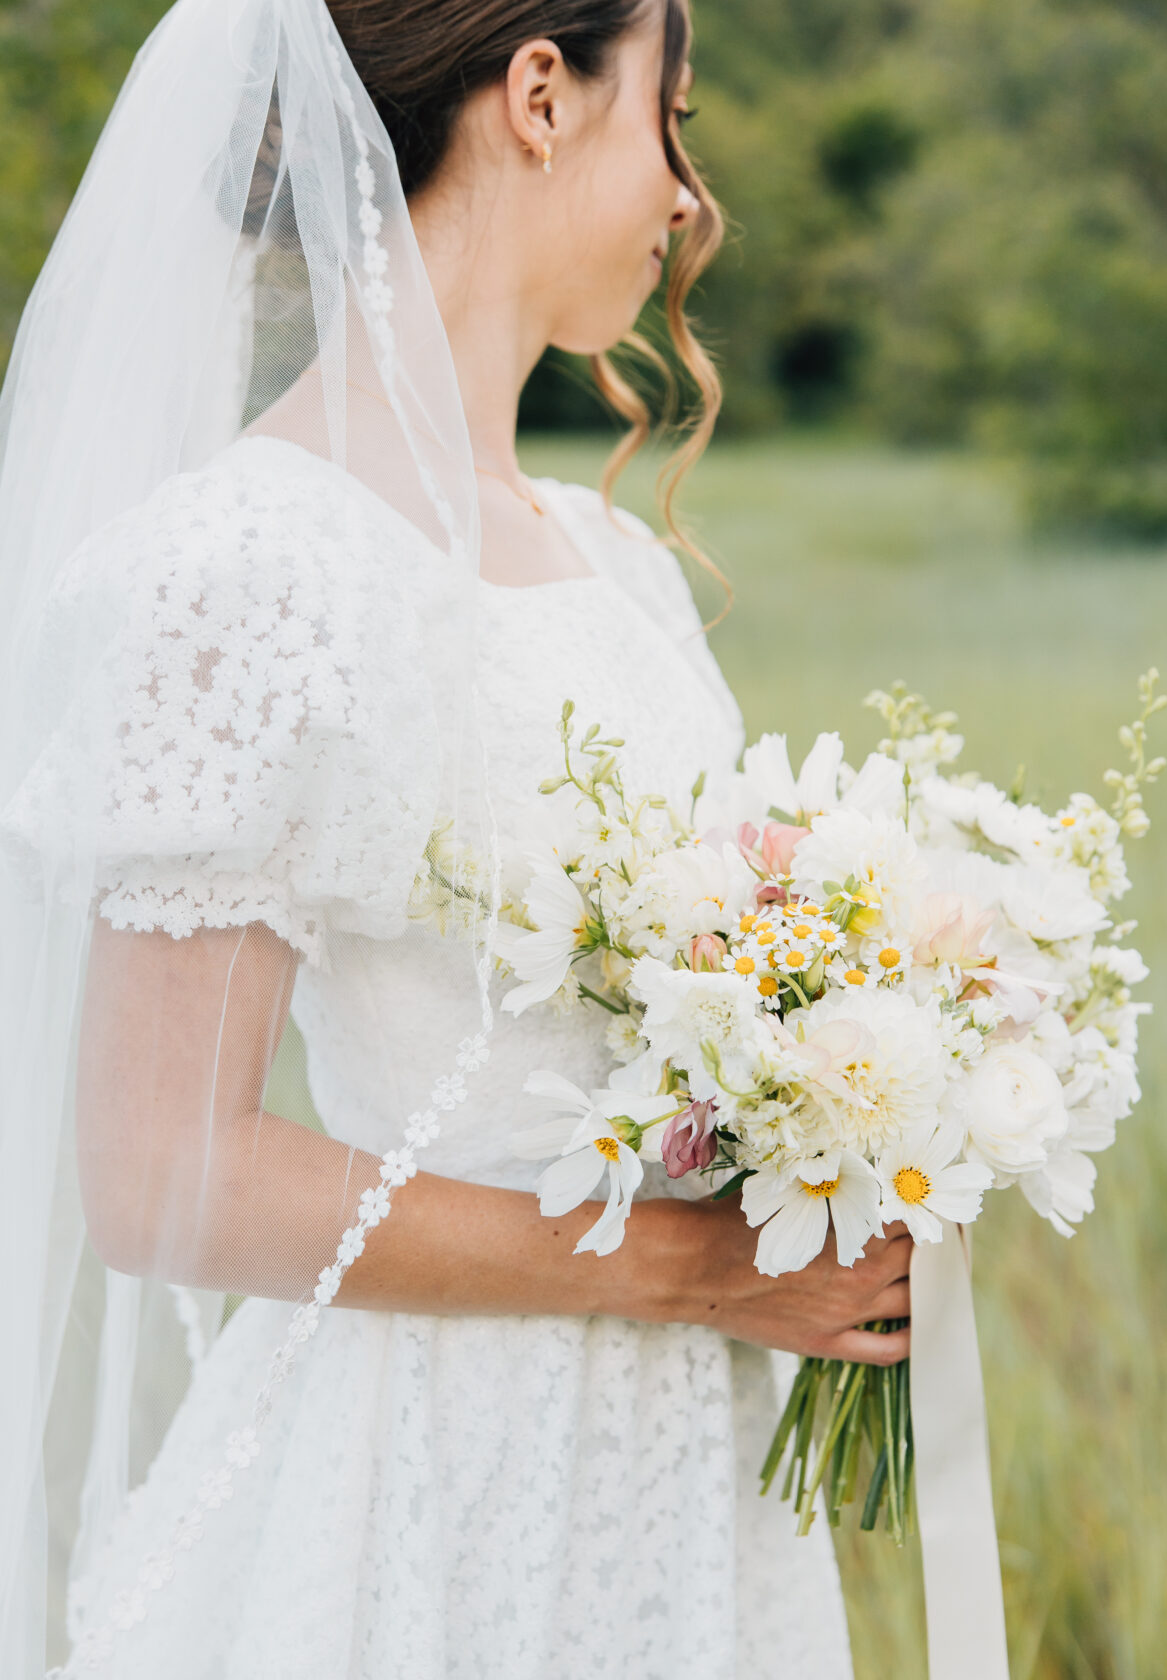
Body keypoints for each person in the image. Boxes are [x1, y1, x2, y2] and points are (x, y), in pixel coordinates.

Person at [0, 0, 912, 1674]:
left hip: (681, 1480)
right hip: (424, 1484)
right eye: (673, 116)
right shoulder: (255, 572)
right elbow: (163, 1177)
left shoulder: (604, 559)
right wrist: (687, 1274)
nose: (690, 199)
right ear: (543, 98)